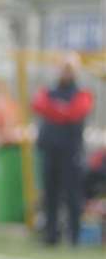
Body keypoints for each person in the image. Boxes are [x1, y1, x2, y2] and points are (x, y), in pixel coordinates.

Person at [31, 52, 94, 246]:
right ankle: (51, 235)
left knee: (73, 195)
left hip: (71, 152)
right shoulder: (48, 91)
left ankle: (74, 237)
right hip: (50, 151)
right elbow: (39, 104)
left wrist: (56, 110)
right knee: (50, 195)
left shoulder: (82, 93)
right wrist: (61, 110)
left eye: (69, 69)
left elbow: (75, 112)